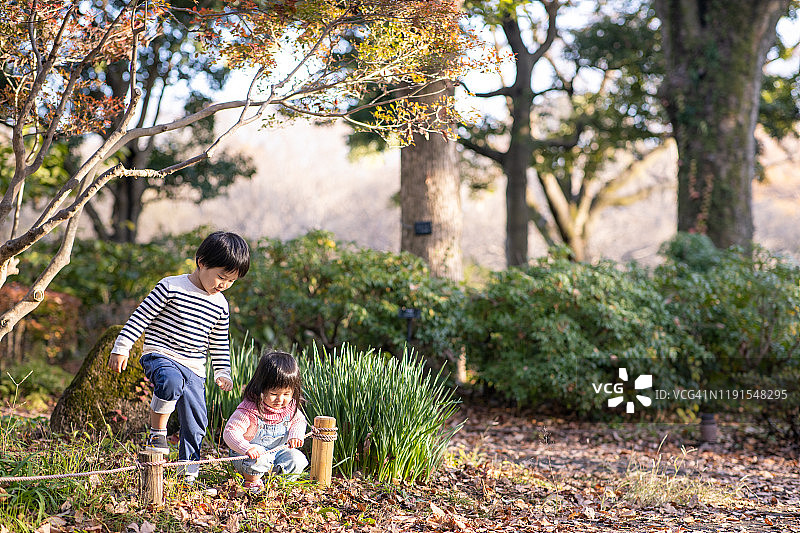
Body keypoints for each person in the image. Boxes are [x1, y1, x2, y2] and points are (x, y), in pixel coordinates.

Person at [107, 231, 250, 484]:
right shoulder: (171, 286)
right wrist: (122, 347)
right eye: (221, 277)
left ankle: (189, 472)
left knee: (197, 421)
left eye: (231, 281)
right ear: (201, 262)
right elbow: (140, 318)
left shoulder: (220, 304)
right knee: (171, 382)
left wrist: (222, 372)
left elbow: (219, 342)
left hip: (193, 367)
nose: (224, 285)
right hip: (160, 354)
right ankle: (157, 433)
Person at [223, 350, 309, 493]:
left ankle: (278, 481)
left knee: (297, 459)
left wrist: (296, 435)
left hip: (277, 453)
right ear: (261, 388)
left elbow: (299, 421)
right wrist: (246, 448)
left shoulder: (290, 408)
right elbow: (230, 432)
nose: (280, 400)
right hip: (248, 456)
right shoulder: (249, 410)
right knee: (260, 458)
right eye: (274, 394)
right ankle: (252, 481)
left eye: (286, 394)